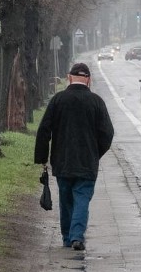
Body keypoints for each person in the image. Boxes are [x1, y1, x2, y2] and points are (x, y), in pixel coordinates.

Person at [34, 63, 114, 251]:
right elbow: (107, 134)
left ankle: (67, 237)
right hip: (87, 163)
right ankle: (77, 236)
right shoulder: (96, 102)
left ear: (69, 78)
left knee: (65, 199)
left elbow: (44, 130)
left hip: (62, 161)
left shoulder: (58, 100)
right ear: (89, 80)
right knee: (82, 198)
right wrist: (96, 152)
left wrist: (42, 158)